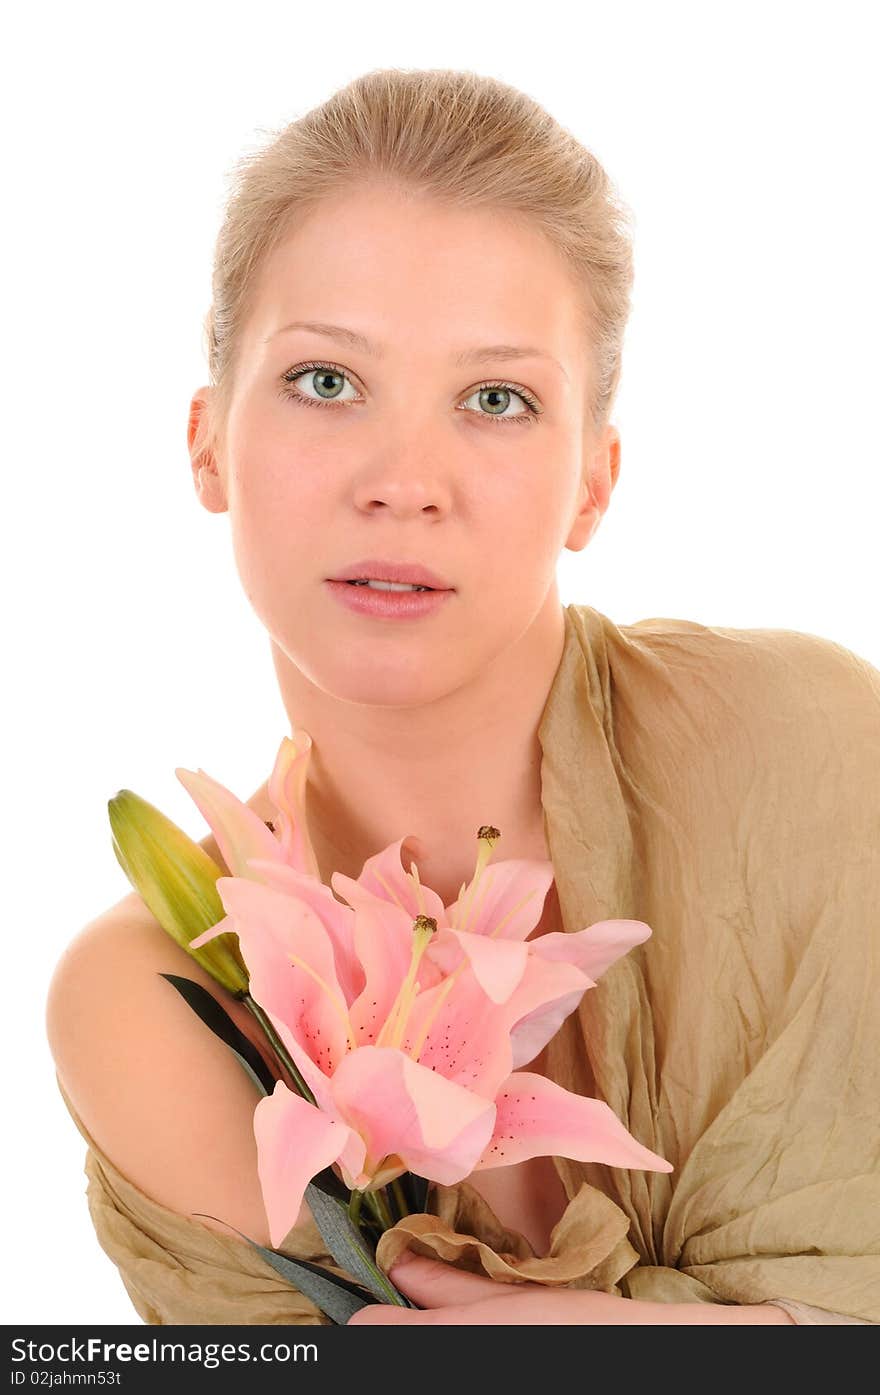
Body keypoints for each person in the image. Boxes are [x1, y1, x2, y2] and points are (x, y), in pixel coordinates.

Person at [45, 67, 878, 1326]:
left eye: (495, 399)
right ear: (208, 443)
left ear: (592, 485)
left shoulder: (814, 756)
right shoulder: (159, 999)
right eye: (327, 380)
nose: (404, 481)